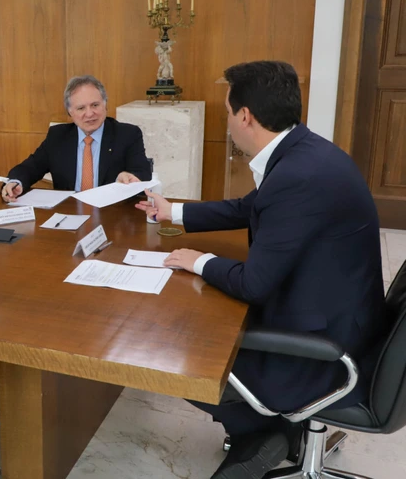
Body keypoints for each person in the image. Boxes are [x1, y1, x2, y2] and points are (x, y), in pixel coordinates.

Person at [138, 61, 387, 479]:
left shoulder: (298, 175)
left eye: (227, 113)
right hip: (340, 315)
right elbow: (251, 206)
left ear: (245, 116)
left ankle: (263, 430)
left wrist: (196, 260)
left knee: (173, 350)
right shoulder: (304, 151)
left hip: (324, 351)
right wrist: (174, 211)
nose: (229, 123)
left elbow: (254, 284)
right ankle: (267, 434)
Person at [2, 75, 151, 201]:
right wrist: (16, 182)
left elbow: (143, 173)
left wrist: (130, 176)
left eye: (95, 105)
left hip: (113, 216)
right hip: (69, 214)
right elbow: (30, 168)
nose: (89, 113)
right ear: (70, 112)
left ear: (105, 105)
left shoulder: (127, 134)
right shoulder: (58, 136)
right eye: (81, 108)